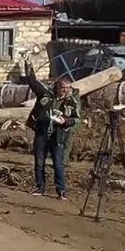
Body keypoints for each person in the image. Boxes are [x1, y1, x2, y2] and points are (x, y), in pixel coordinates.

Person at [24, 59, 80, 199]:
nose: (65, 91)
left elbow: (76, 119)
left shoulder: (71, 102)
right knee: (39, 162)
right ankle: (40, 187)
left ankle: (61, 191)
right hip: (42, 133)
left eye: (68, 88)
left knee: (58, 164)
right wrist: (28, 65)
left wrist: (65, 121)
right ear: (57, 86)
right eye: (62, 88)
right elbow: (33, 82)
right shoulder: (45, 94)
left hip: (58, 135)